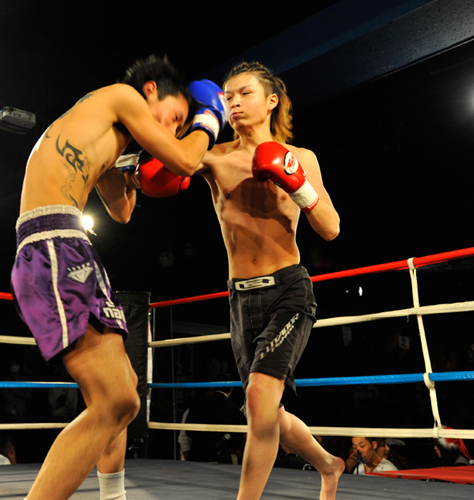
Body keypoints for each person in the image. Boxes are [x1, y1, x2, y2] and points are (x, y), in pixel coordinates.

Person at [10, 55, 229, 500]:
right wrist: (209, 118)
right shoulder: (123, 96)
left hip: (72, 245)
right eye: (176, 117)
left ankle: (114, 496)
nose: (174, 129)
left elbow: (122, 211)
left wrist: (133, 168)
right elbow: (187, 161)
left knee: (125, 391)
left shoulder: (110, 135)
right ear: (151, 90)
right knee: (117, 401)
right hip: (52, 242)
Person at [137, 61, 343, 500]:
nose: (234, 102)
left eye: (244, 93)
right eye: (228, 96)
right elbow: (157, 161)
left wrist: (297, 184)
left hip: (288, 290)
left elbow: (331, 228)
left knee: (260, 398)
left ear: (271, 101)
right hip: (240, 300)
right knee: (263, 410)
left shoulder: (302, 158)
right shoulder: (211, 157)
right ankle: (328, 464)